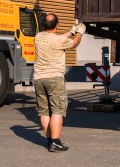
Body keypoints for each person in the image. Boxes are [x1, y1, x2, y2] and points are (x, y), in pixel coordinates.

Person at [33, 13, 85, 152]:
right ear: (57, 25)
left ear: (44, 25)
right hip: (54, 79)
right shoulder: (58, 41)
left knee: (44, 112)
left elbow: (56, 38)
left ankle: (50, 140)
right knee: (57, 110)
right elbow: (74, 43)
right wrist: (79, 32)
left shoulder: (38, 37)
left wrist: (71, 31)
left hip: (38, 78)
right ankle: (55, 142)